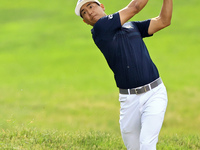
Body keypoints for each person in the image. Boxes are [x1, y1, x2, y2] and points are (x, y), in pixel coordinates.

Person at [75, 0, 173, 149]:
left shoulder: (131, 26)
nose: (89, 12)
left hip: (155, 93)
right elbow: (135, 7)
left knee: (147, 144)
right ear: (85, 21)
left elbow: (163, 21)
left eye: (90, 6)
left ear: (102, 7)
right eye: (84, 13)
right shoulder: (100, 29)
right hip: (129, 101)